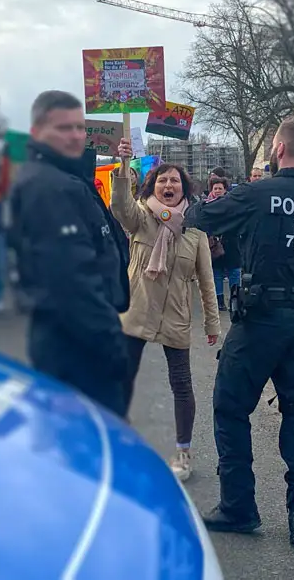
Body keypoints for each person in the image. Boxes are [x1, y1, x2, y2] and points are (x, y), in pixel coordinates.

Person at [184, 117, 294, 547]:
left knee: (232, 407)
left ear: (277, 150)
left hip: (258, 320)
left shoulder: (258, 194)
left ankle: (239, 506)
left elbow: (204, 216)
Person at [10, 90, 131, 417]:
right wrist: (112, 345)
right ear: (36, 132)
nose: (76, 135)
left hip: (77, 340)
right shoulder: (50, 187)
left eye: (80, 127)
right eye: (64, 128)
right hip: (76, 346)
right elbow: (72, 279)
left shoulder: (67, 178)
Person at [112, 139, 220, 481]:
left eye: (174, 181)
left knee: (182, 385)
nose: (168, 185)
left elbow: (206, 280)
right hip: (138, 311)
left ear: (183, 188)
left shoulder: (196, 230)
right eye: (162, 180)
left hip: (175, 316)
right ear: (152, 186)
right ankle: (117, 439)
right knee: (122, 377)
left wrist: (212, 323)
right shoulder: (140, 218)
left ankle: (183, 451)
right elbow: (119, 205)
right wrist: (123, 162)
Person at [205, 176, 242, 312]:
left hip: (231, 242)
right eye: (215, 188)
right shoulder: (207, 204)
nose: (218, 191)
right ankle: (219, 301)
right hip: (215, 243)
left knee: (234, 271)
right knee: (217, 273)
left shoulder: (233, 204)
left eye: (220, 188)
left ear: (225, 189)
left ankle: (235, 299)